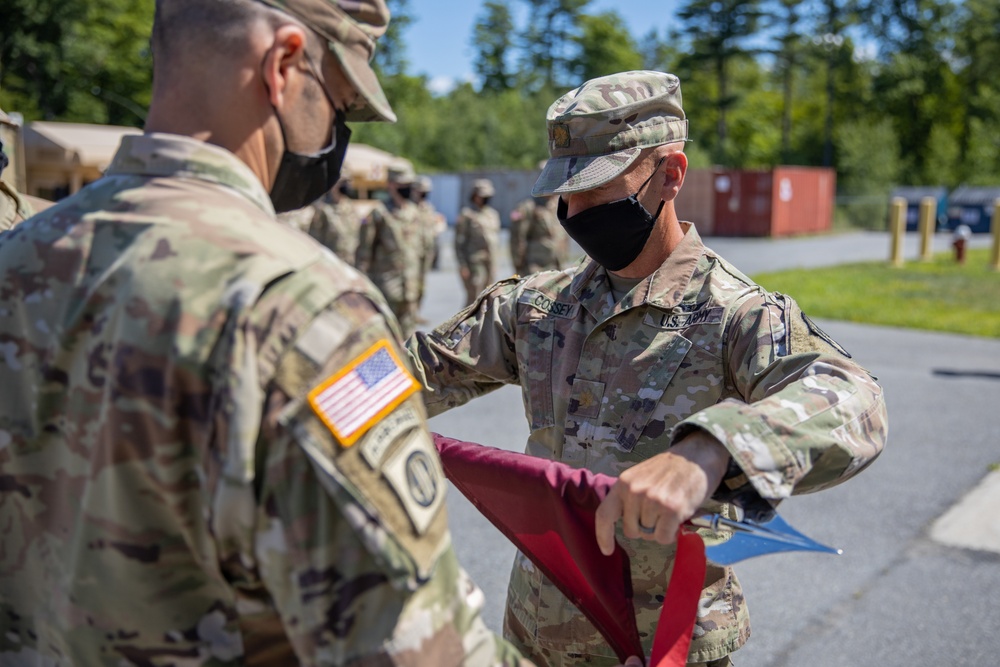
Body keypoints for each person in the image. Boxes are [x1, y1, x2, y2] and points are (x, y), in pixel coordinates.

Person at [0, 1, 531, 663]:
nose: (333, 130)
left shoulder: (16, 259)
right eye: (338, 102)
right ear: (282, 65)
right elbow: (412, 647)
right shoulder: (307, 310)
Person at [405, 71, 888, 667]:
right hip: (536, 631)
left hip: (661, 643)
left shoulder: (735, 315)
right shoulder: (534, 307)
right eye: (566, 190)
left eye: (597, 188)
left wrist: (711, 450)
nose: (575, 211)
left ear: (671, 174)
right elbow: (410, 374)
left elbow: (853, 400)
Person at [356, 165, 425, 337]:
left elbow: (420, 251)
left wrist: (421, 283)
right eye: (404, 184)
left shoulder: (415, 212)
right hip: (387, 288)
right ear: (391, 185)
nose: (408, 188)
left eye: (410, 184)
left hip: (410, 287)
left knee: (409, 339)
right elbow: (364, 253)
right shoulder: (379, 214)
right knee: (385, 336)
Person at [454, 177, 501, 306]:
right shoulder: (467, 215)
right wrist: (463, 265)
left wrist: (495, 263)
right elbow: (459, 242)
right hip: (474, 263)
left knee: (489, 296)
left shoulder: (492, 214)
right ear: (474, 196)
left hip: (489, 261)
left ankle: (483, 326)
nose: (485, 199)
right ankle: (467, 326)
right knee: (474, 299)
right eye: (482, 196)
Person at [508, 193, 569, 275]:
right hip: (536, 266)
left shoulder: (559, 204)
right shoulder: (527, 207)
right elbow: (518, 237)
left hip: (556, 263)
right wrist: (518, 263)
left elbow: (562, 234)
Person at [310, 177, 362, 265]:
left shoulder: (350, 207)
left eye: (347, 182)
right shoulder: (323, 209)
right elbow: (315, 239)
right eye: (342, 183)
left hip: (351, 262)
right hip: (333, 263)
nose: (345, 186)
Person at [412, 175, 445, 313]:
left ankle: (416, 311)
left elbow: (435, 227)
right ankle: (410, 312)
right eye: (421, 191)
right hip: (412, 254)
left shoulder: (428, 208)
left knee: (421, 286)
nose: (424, 194)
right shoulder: (409, 208)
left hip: (425, 254)